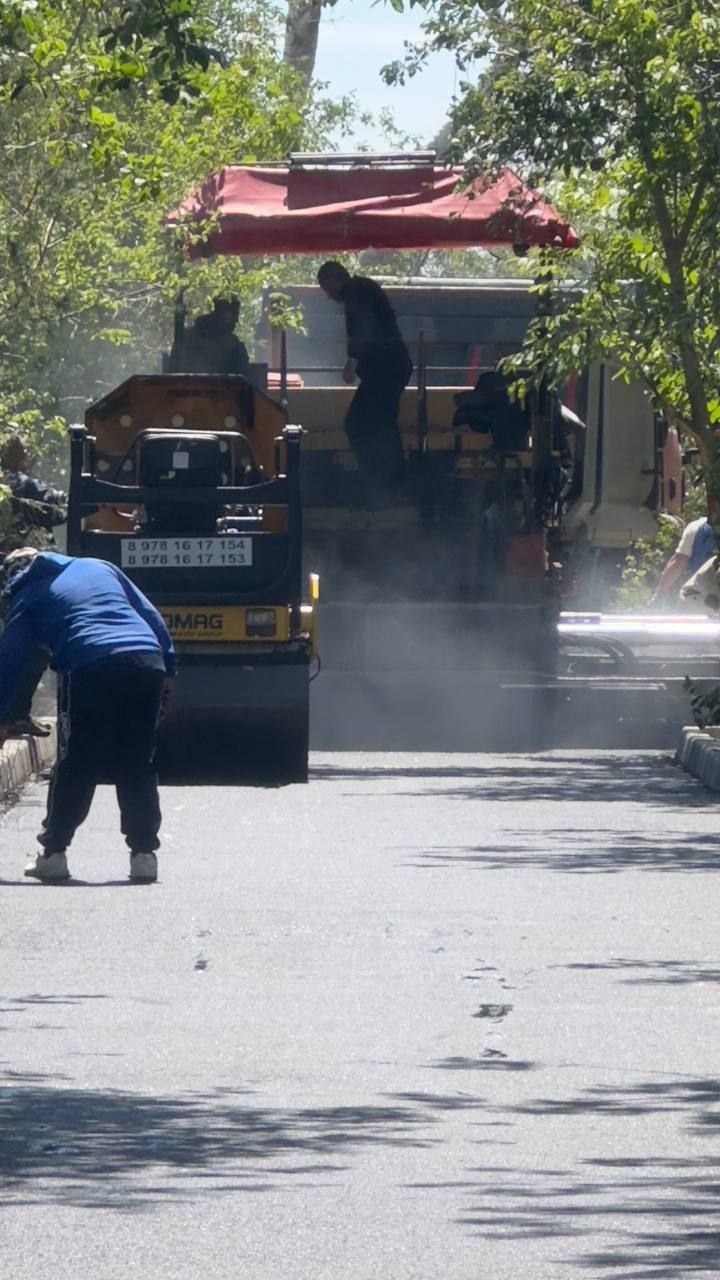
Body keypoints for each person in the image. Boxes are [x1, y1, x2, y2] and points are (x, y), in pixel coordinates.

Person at [0, 547, 176, 884]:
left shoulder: (27, 593)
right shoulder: (100, 566)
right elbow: (151, 616)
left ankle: (54, 854)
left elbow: (10, 659)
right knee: (137, 761)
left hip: (89, 662)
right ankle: (144, 855)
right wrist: (168, 670)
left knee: (77, 760)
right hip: (145, 659)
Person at [317, 261, 413, 505]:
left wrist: (352, 360)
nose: (328, 296)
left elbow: (364, 328)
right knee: (380, 423)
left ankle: (381, 481)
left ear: (334, 279)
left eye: (327, 289)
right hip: (390, 367)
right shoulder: (362, 289)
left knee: (358, 423)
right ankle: (390, 481)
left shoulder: (357, 293)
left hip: (386, 368)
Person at [1, 434, 67, 736]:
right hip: (18, 574)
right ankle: (15, 714)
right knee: (38, 645)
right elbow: (59, 508)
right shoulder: (22, 484)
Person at [172, 297, 251, 377]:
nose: (236, 320)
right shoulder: (233, 344)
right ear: (223, 313)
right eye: (233, 314)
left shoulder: (187, 336)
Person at [650, 514, 716, 605]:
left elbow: (677, 563)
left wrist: (659, 595)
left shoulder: (696, 527)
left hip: (701, 598)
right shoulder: (696, 527)